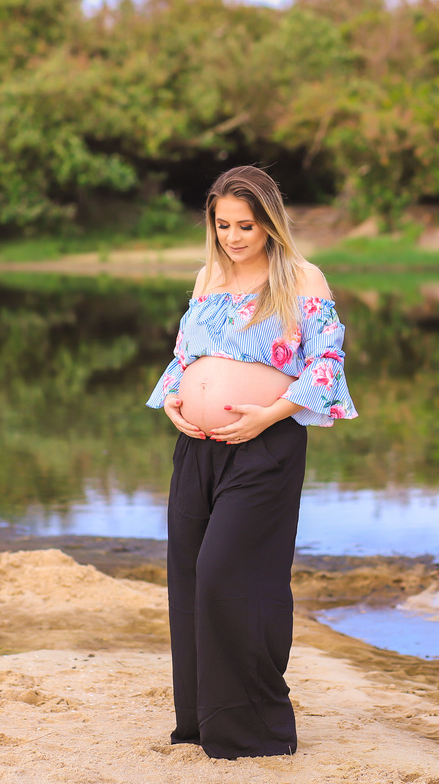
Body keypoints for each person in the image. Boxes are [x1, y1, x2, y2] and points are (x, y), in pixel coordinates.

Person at [145, 165, 358, 759]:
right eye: (222, 225)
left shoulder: (301, 277)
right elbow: (185, 358)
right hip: (197, 450)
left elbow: (326, 365)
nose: (233, 237)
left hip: (265, 446)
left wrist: (268, 414)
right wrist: (172, 404)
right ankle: (202, 720)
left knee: (226, 575)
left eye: (245, 225)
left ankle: (255, 725)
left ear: (269, 222)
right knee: (189, 578)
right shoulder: (207, 276)